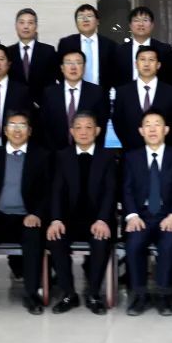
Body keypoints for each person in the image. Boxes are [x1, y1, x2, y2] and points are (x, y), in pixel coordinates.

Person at [0, 112, 51, 315]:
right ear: (5, 130)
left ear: (30, 131)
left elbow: (47, 191)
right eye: (12, 125)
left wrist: (37, 214)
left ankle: (31, 294)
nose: (17, 130)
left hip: (26, 216)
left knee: (34, 237)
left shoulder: (42, 156)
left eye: (22, 126)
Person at [47, 111, 118, 315]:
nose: (83, 132)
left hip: (98, 219)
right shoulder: (62, 156)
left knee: (101, 240)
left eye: (88, 127)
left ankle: (94, 294)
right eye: (78, 127)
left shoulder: (108, 156)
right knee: (56, 238)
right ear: (71, 131)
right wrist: (56, 219)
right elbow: (56, 191)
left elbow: (110, 192)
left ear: (97, 131)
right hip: (69, 220)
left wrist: (103, 219)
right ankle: (69, 293)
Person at [122, 111, 172, 316]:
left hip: (167, 216)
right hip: (141, 216)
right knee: (134, 244)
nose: (152, 129)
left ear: (166, 130)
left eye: (157, 124)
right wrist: (132, 216)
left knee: (169, 244)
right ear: (141, 131)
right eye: (147, 125)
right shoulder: (131, 157)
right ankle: (139, 295)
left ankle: (163, 295)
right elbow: (126, 190)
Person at [112, 46, 172, 150]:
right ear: (136, 64)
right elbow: (118, 122)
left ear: (158, 65)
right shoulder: (122, 92)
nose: (147, 64)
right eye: (142, 59)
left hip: (164, 152)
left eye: (151, 60)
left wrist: (167, 149)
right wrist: (128, 147)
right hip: (131, 152)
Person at [39, 50, 108, 151]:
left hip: (88, 151)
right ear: (62, 68)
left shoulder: (97, 92)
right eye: (68, 63)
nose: (73, 67)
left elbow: (101, 124)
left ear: (84, 67)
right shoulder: (50, 93)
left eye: (78, 63)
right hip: (55, 152)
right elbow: (44, 125)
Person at [56, 4, 118, 92]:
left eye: (89, 16)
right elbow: (59, 70)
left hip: (102, 94)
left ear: (97, 21)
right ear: (76, 23)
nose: (85, 20)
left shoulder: (110, 45)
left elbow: (115, 73)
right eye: (81, 17)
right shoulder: (66, 43)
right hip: (74, 94)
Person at [7, 8, 58, 107]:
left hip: (42, 107)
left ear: (36, 27)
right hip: (14, 107)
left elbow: (52, 83)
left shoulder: (48, 51)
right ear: (16, 26)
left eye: (30, 23)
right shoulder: (8, 52)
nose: (26, 26)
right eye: (22, 22)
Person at [115, 6, 172, 86]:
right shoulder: (119, 51)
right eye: (136, 20)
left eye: (145, 20)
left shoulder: (165, 50)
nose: (141, 24)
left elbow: (170, 79)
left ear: (152, 25)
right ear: (130, 25)